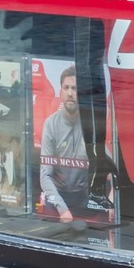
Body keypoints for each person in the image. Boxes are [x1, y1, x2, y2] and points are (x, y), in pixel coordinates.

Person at [38, 66, 97, 220]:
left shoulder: (92, 125)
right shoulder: (50, 124)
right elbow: (45, 176)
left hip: (83, 198)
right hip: (56, 198)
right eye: (66, 88)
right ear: (60, 92)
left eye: (75, 89)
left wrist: (112, 200)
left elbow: (108, 168)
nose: (70, 93)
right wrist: (62, 210)